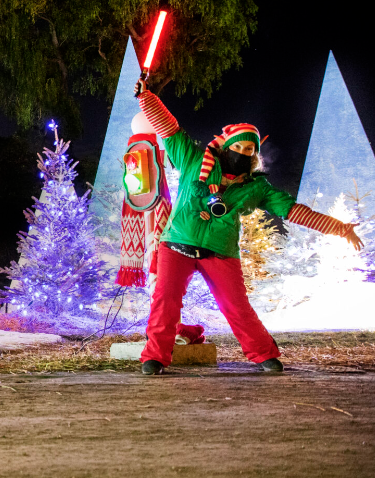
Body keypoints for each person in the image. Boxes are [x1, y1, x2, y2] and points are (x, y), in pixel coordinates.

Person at [133, 78, 364, 375]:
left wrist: (339, 227)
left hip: (220, 251)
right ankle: (155, 357)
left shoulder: (257, 187)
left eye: (248, 149)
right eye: (237, 146)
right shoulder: (192, 159)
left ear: (254, 155)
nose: (242, 152)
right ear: (225, 146)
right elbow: (169, 128)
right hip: (177, 243)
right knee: (165, 302)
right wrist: (146, 97)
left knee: (236, 306)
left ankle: (264, 354)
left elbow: (292, 210)